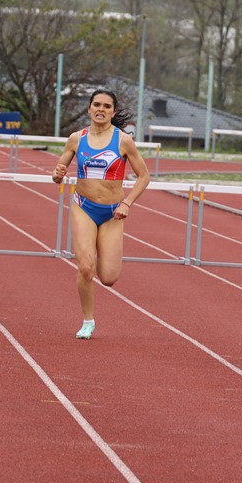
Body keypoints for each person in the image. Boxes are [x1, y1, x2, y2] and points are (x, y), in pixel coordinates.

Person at [52, 89, 151, 339]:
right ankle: (88, 321)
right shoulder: (77, 139)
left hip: (112, 213)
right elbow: (58, 173)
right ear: (89, 108)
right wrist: (57, 174)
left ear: (113, 111)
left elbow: (144, 176)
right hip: (83, 207)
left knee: (108, 277)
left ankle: (101, 250)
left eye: (107, 106)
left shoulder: (123, 141)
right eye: (96, 104)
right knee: (86, 268)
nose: (101, 109)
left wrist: (127, 203)